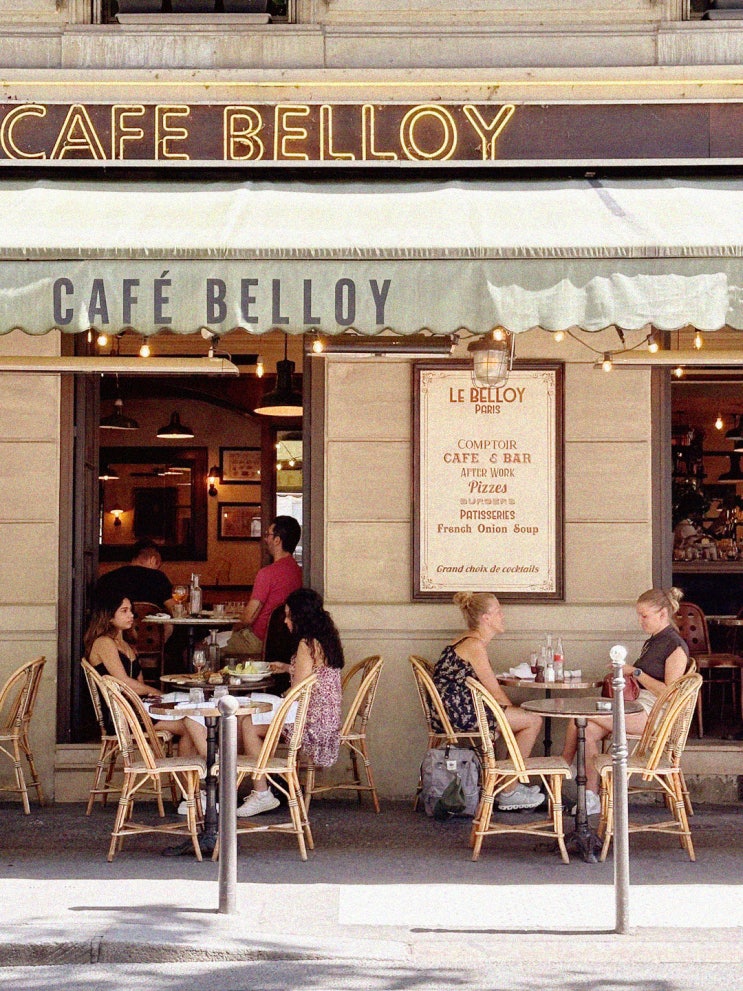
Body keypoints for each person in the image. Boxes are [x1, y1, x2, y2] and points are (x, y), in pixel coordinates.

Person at [561, 586, 689, 817]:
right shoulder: (654, 641)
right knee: (585, 728)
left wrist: (636, 672)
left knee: (580, 714)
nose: (640, 621)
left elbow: (669, 693)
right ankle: (591, 796)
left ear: (662, 614)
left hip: (654, 714)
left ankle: (564, 767)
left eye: (644, 616)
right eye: (639, 615)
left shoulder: (675, 646)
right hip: (637, 706)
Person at [236, 587, 344, 818]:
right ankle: (264, 781)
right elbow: (315, 674)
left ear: (301, 617)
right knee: (250, 711)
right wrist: (286, 667)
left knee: (247, 723)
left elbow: (298, 690)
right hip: (325, 716)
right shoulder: (325, 638)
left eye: (288, 616)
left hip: (311, 721)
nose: (285, 621)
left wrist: (278, 700)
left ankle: (261, 791)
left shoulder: (306, 644)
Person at [433, 591, 545, 812]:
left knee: (522, 717)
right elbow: (495, 693)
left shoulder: (469, 641)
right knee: (533, 721)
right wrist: (514, 712)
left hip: (454, 710)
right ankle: (508, 791)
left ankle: (505, 785)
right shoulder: (474, 646)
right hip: (459, 714)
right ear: (485, 618)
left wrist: (513, 712)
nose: (503, 616)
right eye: (498, 611)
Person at [83, 590, 205, 761]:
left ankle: (196, 774)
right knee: (190, 724)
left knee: (192, 719)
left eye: (131, 610)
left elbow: (138, 683)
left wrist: (155, 697)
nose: (131, 615)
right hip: (121, 714)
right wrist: (156, 692)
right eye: (124, 611)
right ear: (109, 616)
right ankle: (210, 769)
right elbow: (125, 682)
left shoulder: (127, 644)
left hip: (137, 707)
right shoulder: (104, 642)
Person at [222, 515, 302, 657]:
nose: (265, 539)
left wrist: (234, 627)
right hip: (284, 644)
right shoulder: (298, 572)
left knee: (204, 647)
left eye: (268, 535)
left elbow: (248, 618)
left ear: (277, 540)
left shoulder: (267, 573)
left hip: (257, 641)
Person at [92, 539, 175, 615]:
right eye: (158, 565)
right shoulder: (159, 578)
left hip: (118, 626)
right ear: (152, 560)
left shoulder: (107, 578)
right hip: (152, 627)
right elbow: (174, 610)